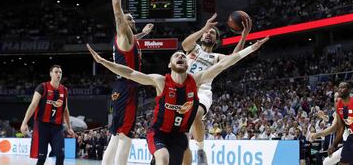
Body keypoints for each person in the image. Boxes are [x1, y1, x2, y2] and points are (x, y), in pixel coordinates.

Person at [87, 35, 268, 165]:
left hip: (178, 136)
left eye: (183, 55)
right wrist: (104, 62)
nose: (181, 56)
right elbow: (131, 72)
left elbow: (224, 63)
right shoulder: (160, 81)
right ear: (170, 64)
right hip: (158, 133)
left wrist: (252, 48)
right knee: (163, 158)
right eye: (177, 55)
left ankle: (197, 149)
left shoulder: (195, 80)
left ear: (188, 64)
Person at [181, 13, 251, 164]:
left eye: (212, 33)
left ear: (216, 40)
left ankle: (200, 149)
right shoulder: (193, 48)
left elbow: (233, 59)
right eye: (207, 32)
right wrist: (203, 28)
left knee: (195, 114)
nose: (208, 33)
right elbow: (184, 45)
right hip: (183, 89)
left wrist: (243, 36)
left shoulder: (216, 57)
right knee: (182, 138)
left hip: (202, 91)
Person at [102, 0, 154, 165]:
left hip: (120, 87)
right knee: (125, 137)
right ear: (123, 23)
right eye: (127, 18)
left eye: (131, 18)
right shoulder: (124, 32)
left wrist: (144, 34)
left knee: (116, 136)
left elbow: (133, 40)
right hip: (127, 88)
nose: (129, 20)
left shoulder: (127, 39)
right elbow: (117, 7)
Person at [20, 65, 74, 165]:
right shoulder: (42, 87)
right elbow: (33, 105)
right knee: (42, 157)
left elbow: (65, 109)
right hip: (42, 126)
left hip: (57, 128)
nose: (58, 74)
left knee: (60, 155)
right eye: (56, 72)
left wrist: (69, 127)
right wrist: (24, 123)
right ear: (50, 74)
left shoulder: (64, 90)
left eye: (60, 72)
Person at [310, 92, 351, 165]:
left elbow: (333, 127)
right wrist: (324, 117)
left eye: (338, 97)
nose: (336, 99)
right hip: (347, 144)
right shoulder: (338, 111)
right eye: (335, 97)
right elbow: (333, 121)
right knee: (326, 162)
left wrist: (317, 135)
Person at [328, 82, 353, 165]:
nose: (340, 89)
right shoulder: (338, 105)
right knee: (343, 162)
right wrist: (333, 145)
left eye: (343, 87)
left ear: (349, 90)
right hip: (351, 137)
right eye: (339, 87)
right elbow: (341, 128)